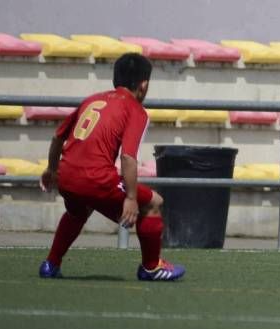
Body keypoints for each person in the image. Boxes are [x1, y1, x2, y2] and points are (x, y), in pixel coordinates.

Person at [38, 53, 185, 281]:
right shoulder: (135, 110)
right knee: (154, 203)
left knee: (78, 210)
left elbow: (58, 138)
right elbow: (128, 157)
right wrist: (131, 197)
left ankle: (51, 264)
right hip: (95, 180)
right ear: (144, 85)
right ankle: (151, 267)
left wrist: (51, 169)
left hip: (66, 177)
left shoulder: (92, 100)